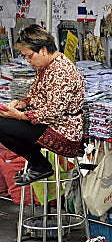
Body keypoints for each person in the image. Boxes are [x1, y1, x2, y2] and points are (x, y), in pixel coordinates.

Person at [0, 24, 85, 186]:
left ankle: (40, 165)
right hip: (48, 122)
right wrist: (21, 103)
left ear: (44, 50)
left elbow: (53, 113)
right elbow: (34, 95)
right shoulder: (45, 66)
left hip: (63, 129)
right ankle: (37, 163)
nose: (28, 61)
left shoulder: (61, 72)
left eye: (30, 56)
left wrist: (19, 116)